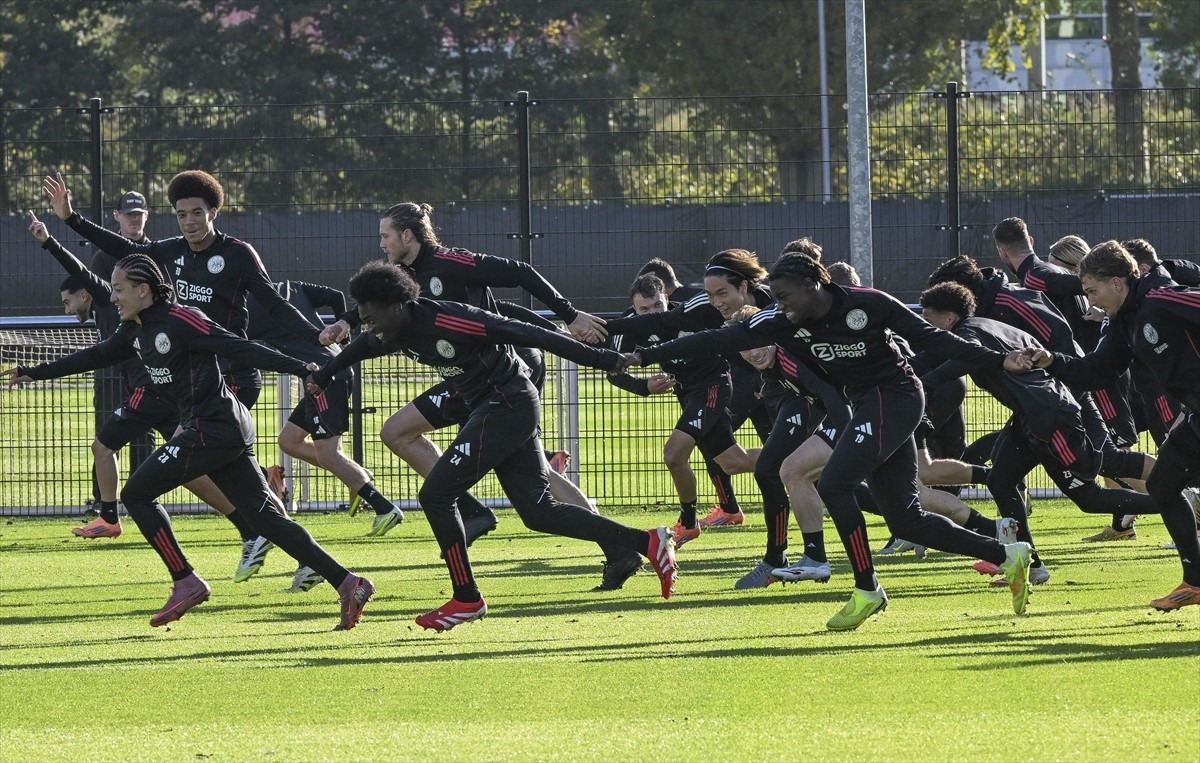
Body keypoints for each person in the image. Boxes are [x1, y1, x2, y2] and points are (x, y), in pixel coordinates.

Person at [614, 239, 1036, 631]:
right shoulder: (779, 322)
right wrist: (642, 355)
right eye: (774, 298)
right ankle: (1006, 554)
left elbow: (936, 341)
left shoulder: (869, 305)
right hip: (865, 405)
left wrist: (1002, 361)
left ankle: (866, 588)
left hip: (898, 396)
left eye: (784, 297)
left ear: (816, 284)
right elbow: (712, 340)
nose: (779, 306)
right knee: (908, 519)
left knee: (835, 482)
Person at [3, 254, 374, 629]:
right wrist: (35, 372)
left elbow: (237, 347)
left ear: (143, 290)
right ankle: (348, 582)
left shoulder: (182, 319)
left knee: (136, 494)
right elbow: (97, 355)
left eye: (118, 289)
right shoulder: (134, 327)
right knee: (265, 517)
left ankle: (186, 581)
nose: (112, 298)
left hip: (214, 428)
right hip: (215, 428)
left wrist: (301, 367)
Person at [307, 261, 677, 631]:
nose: (367, 325)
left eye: (370, 317)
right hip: (496, 407)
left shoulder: (448, 320)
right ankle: (648, 542)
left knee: (436, 495)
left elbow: (528, 332)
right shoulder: (390, 329)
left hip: (507, 403)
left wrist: (604, 359)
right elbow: (360, 348)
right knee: (538, 513)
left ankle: (466, 598)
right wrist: (323, 376)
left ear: (396, 305)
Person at [320, 202, 641, 591]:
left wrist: (568, 315)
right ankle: (476, 513)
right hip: (468, 380)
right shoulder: (401, 280)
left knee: (520, 473)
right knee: (399, 433)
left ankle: (610, 542)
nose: (381, 244)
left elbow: (518, 277)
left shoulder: (453, 262)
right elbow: (376, 310)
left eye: (385, 235)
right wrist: (344, 323)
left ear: (408, 235)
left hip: (505, 372)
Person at [43, 170, 326, 582]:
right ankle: (283, 547)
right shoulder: (170, 252)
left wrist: (315, 337)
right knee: (213, 473)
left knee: (192, 469)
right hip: (189, 380)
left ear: (214, 212)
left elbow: (275, 304)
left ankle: (251, 543)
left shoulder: (237, 254)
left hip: (228, 378)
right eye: (181, 214)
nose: (190, 221)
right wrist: (70, 219)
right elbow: (122, 247)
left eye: (197, 212)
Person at [919, 281, 1161, 586]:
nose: (926, 327)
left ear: (950, 317)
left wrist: (916, 385)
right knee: (1000, 480)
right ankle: (1030, 565)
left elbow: (958, 364)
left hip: (1051, 418)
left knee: (1094, 488)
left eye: (929, 320)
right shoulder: (990, 325)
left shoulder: (968, 335)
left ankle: (1178, 499)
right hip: (1030, 418)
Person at [27, 211, 244, 540]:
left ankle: (111, 516)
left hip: (151, 391)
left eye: (68, 301)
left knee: (104, 448)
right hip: (166, 393)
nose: (113, 295)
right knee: (188, 466)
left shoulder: (114, 302)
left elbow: (81, 272)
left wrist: (49, 243)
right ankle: (248, 521)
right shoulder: (120, 310)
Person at [1026, 241, 1200, 610]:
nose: (1090, 300)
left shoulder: (1163, 298)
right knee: (1163, 484)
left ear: (1117, 282)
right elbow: (1095, 372)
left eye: (1092, 291)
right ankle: (1195, 582)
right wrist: (1049, 360)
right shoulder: (1124, 322)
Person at [601, 249, 776, 533]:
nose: (652, 313)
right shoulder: (632, 325)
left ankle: (688, 521)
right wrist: (642, 385)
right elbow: (613, 370)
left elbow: (727, 341)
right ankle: (794, 458)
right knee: (733, 462)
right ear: (634, 309)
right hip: (689, 393)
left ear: (667, 298)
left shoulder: (694, 308)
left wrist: (756, 380)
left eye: (657, 305)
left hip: (715, 386)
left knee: (673, 453)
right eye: (644, 310)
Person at [246, 280, 403, 592]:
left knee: (329, 455)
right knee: (288, 441)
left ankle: (382, 505)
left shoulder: (247, 308)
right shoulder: (289, 286)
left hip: (324, 376)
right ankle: (359, 478)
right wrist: (343, 338)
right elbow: (334, 296)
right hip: (325, 371)